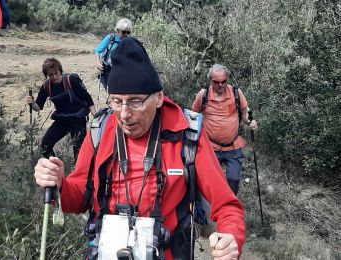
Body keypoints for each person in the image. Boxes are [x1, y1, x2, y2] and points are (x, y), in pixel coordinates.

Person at [34, 38, 245, 260]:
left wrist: (232, 237)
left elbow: (227, 205)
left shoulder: (187, 134)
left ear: (158, 98)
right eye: (117, 101)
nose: (124, 114)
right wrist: (59, 183)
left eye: (135, 101)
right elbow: (78, 198)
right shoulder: (100, 130)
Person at [191, 64, 258, 195]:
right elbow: (193, 114)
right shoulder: (203, 95)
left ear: (227, 79)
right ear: (210, 80)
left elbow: (246, 110)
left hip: (233, 147)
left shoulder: (236, 92)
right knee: (209, 181)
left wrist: (251, 120)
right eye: (216, 82)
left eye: (223, 81)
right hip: (210, 147)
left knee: (233, 180)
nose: (220, 85)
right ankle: (210, 207)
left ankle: (229, 207)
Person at [26, 58, 96, 161]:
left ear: (60, 71)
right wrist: (32, 103)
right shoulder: (46, 86)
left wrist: (95, 114)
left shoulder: (70, 81)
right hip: (62, 120)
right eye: (51, 75)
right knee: (45, 145)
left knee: (79, 153)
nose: (54, 77)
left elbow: (87, 98)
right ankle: (56, 170)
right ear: (47, 75)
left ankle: (80, 175)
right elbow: (38, 107)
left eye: (56, 73)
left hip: (78, 119)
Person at [94, 18, 132, 90]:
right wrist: (98, 62)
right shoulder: (111, 38)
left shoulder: (129, 41)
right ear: (118, 30)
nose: (126, 34)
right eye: (124, 32)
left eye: (128, 32)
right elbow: (97, 50)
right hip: (109, 69)